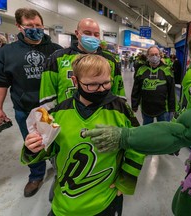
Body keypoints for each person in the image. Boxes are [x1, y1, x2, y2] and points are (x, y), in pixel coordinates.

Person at [80, 26, 191, 216]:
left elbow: (180, 134)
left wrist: (124, 136)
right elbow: (186, 106)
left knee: (190, 207)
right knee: (180, 204)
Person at [21, 54, 145, 216]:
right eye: (92, 85)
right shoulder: (58, 113)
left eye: (106, 83)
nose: (101, 89)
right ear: (75, 81)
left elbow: (137, 145)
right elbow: (49, 150)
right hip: (65, 202)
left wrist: (125, 181)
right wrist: (32, 148)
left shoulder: (121, 110)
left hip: (105, 200)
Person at [0, 7, 62, 197]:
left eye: (38, 25)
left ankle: (61, 172)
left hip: (54, 110)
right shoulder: (7, 52)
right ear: (19, 26)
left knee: (59, 143)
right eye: (29, 26)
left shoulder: (56, 50)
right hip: (25, 110)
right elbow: (1, 82)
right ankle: (36, 175)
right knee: (33, 145)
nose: (35, 28)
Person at [39, 18, 125, 111]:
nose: (92, 37)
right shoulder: (58, 58)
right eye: (87, 33)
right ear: (77, 33)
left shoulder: (110, 60)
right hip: (66, 117)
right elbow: (47, 93)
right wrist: (51, 119)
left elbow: (118, 93)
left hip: (103, 117)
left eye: (96, 34)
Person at [131, 45, 176, 125]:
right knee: (147, 132)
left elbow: (171, 90)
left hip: (163, 109)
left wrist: (172, 108)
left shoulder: (167, 70)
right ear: (148, 56)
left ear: (159, 55)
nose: (154, 57)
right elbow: (136, 89)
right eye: (152, 55)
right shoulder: (141, 70)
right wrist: (134, 104)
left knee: (163, 131)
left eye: (156, 54)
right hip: (146, 108)